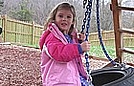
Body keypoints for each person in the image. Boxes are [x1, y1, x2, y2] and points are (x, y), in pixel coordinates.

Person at [39, 2, 93, 86]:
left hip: (72, 78)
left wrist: (79, 43)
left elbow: (73, 56)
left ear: (72, 21)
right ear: (54, 18)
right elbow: (59, 53)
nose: (64, 19)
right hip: (58, 80)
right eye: (60, 16)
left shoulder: (71, 36)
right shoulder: (51, 37)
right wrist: (79, 48)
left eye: (68, 17)